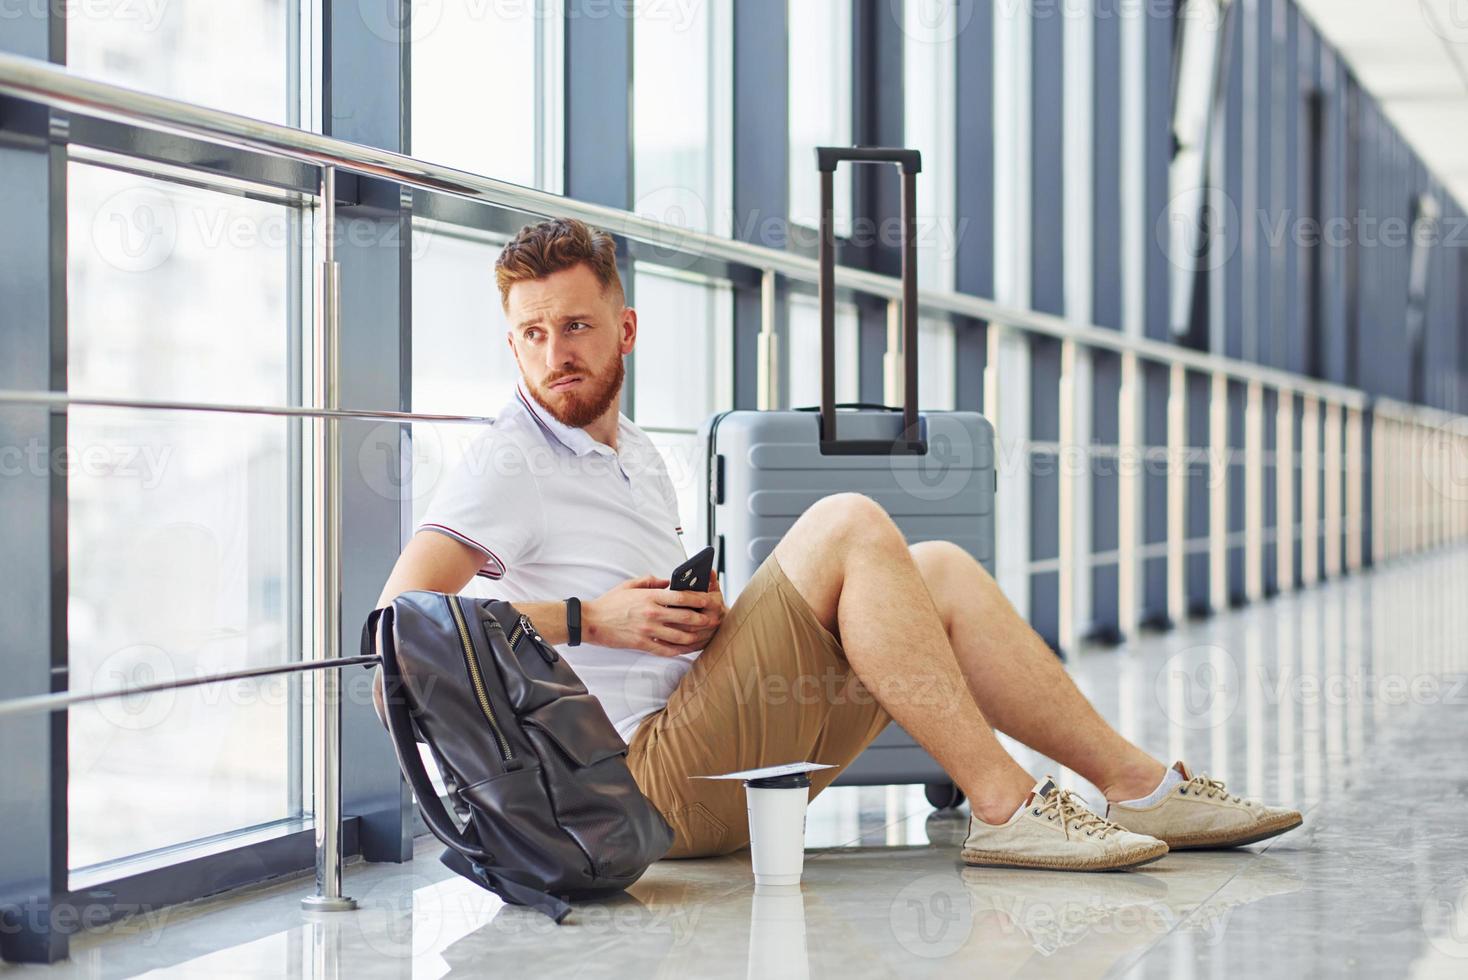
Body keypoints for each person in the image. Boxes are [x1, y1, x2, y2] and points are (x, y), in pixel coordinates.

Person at [374, 217, 1302, 871]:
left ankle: (1140, 788)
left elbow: (642, 634)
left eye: (574, 326)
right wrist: (593, 619)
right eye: (530, 335)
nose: (552, 355)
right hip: (631, 791)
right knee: (850, 521)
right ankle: (1007, 808)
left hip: (709, 753)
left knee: (935, 569)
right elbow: (396, 627)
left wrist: (697, 623)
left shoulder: (639, 453)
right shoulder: (507, 458)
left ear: (624, 330)